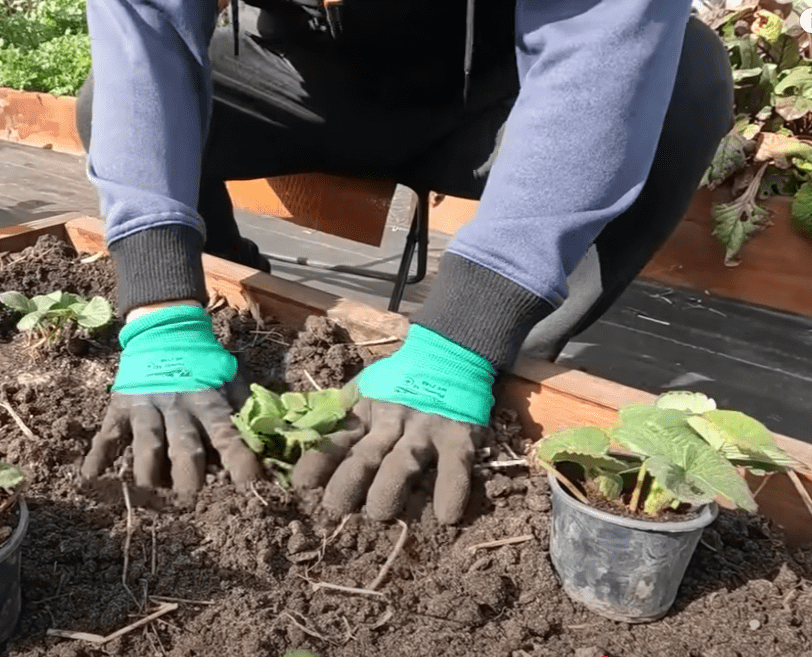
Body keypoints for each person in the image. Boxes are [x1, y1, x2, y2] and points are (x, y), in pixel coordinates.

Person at [74, 0, 734, 524]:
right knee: (108, 100)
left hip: (504, 95)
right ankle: (246, 318)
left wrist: (466, 333)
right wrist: (159, 304)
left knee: (685, 82)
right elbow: (146, 23)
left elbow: (602, 34)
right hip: (304, 83)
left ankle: (494, 368)